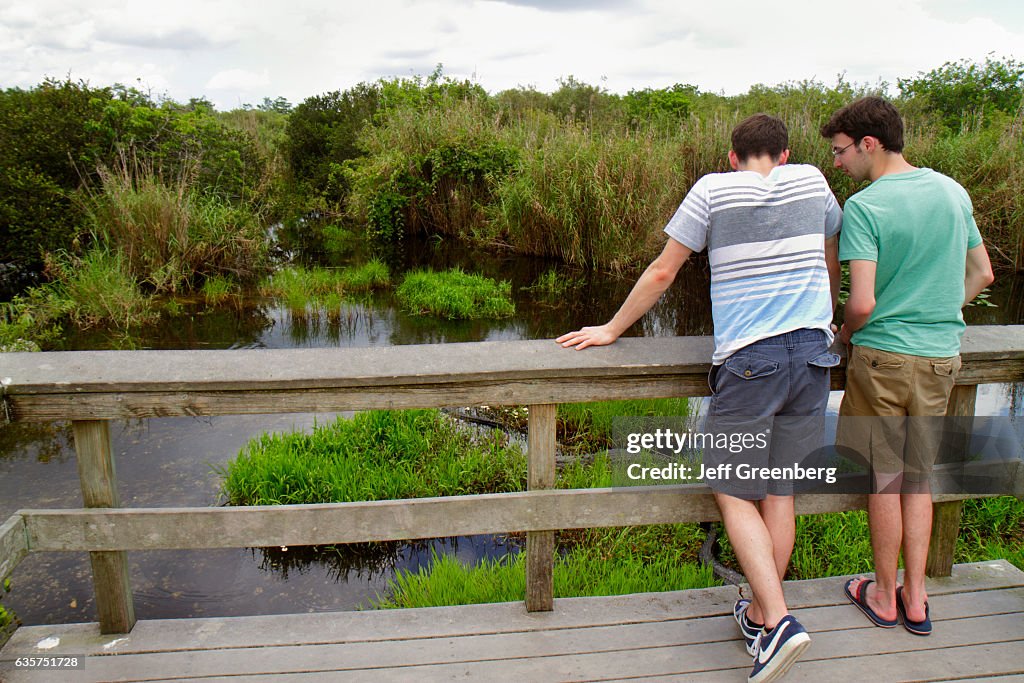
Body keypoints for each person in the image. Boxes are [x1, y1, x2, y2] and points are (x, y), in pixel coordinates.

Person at [558, 113, 842, 683]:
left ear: (733, 156)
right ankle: (762, 616)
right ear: (784, 154)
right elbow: (830, 258)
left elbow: (664, 272)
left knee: (732, 490)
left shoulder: (712, 189)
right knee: (779, 492)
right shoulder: (814, 179)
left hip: (752, 361)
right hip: (814, 353)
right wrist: (827, 319)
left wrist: (612, 330)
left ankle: (781, 622)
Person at [820, 96, 994, 636]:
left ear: (868, 144)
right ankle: (917, 598)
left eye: (840, 151)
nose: (838, 163)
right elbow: (983, 273)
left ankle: (882, 593)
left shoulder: (867, 207)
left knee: (885, 480)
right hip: (941, 358)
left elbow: (863, 302)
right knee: (919, 480)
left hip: (883, 359)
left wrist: (843, 333)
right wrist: (939, 313)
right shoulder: (951, 190)